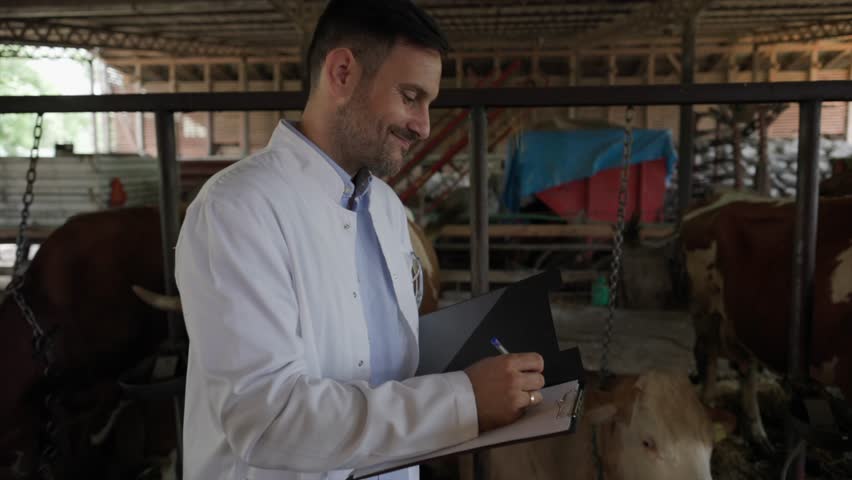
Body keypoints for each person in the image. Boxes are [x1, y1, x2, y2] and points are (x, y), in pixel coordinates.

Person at [174, 1, 545, 479]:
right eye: (410, 96)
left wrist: (483, 366)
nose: (424, 125)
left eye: (428, 103)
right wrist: (464, 399)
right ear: (343, 73)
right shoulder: (237, 210)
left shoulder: (389, 209)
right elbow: (268, 419)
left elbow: (379, 365)